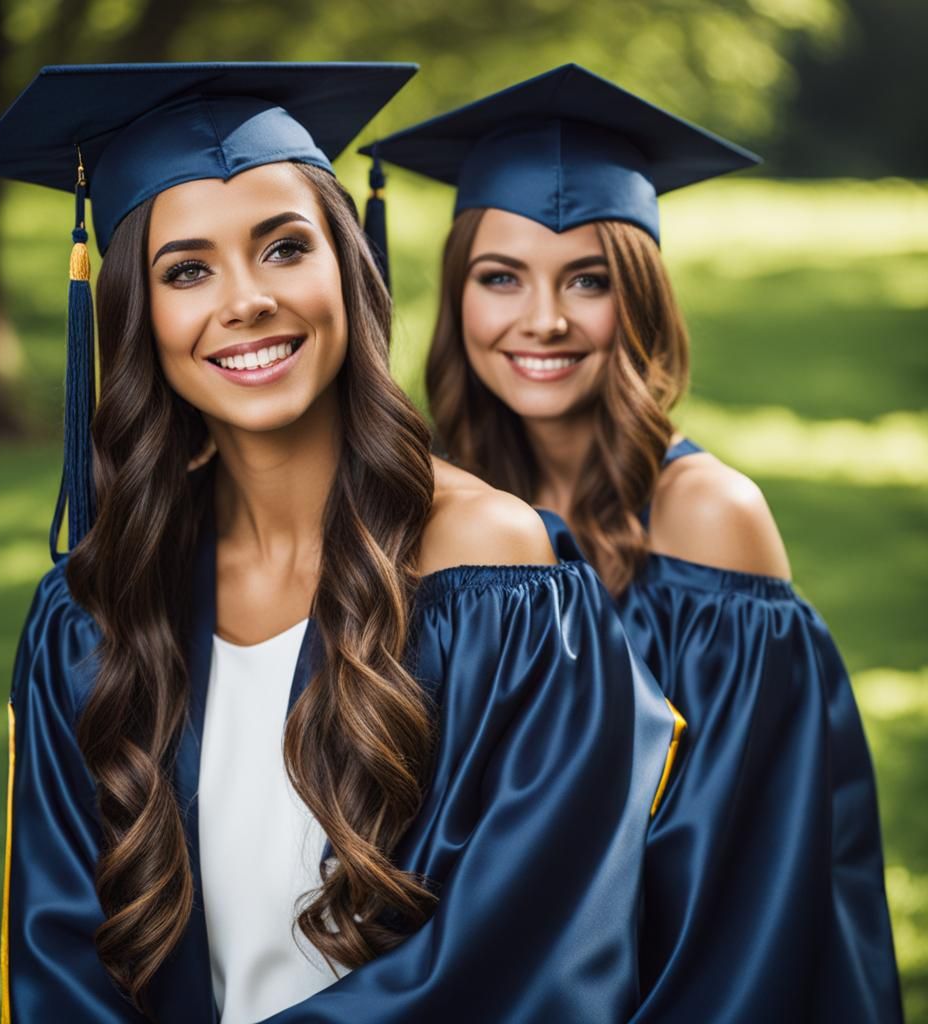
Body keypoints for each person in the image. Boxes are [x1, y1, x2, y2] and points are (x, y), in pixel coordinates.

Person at [0, 63, 680, 1023]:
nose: (246, 299)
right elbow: (60, 959)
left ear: (348, 266)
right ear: (139, 314)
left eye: (284, 247)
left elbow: (522, 948)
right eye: (188, 270)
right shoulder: (96, 612)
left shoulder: (494, 574)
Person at [366, 64, 904, 1023]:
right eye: (502, 278)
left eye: (590, 280)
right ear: (458, 299)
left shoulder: (709, 521)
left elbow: (748, 889)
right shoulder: (439, 514)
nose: (544, 320)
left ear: (642, 300)